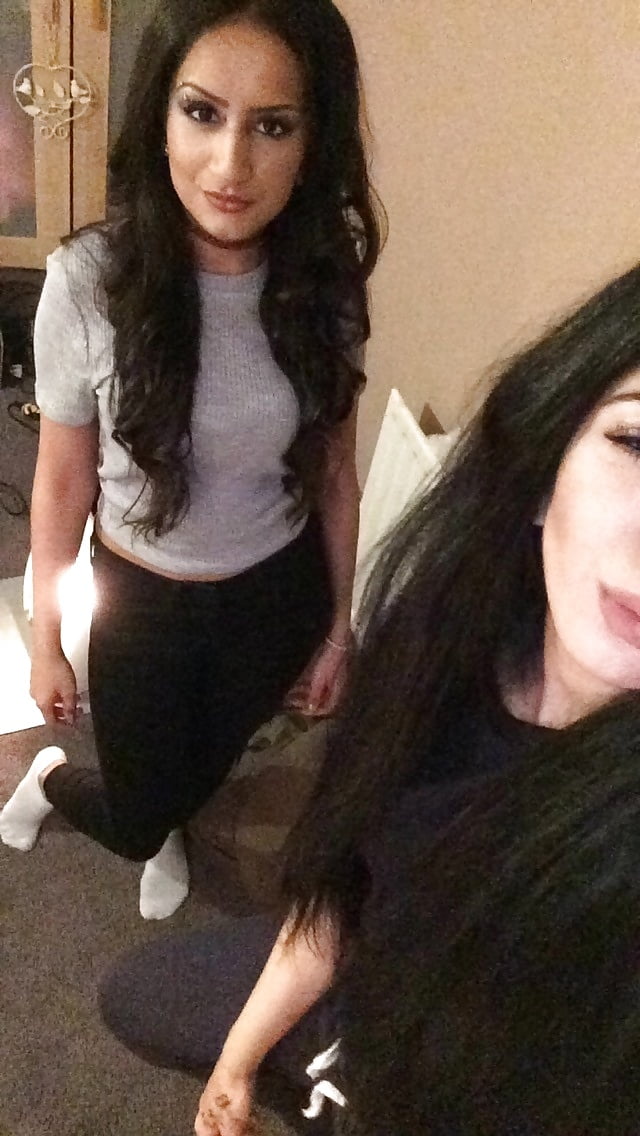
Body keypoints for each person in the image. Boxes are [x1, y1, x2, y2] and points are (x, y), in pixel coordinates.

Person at [98, 259, 640, 1135]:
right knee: (134, 996)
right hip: (368, 989)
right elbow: (343, 882)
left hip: (449, 1088)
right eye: (637, 444)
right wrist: (239, 1062)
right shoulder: (441, 652)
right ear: (545, 471)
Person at [0, 0, 382, 921]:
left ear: (312, 143)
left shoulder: (324, 283)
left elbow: (333, 469)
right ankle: (52, 782)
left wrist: (338, 626)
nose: (230, 165)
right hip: (145, 600)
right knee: (137, 815)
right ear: (160, 117)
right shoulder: (88, 282)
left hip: (275, 591)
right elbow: (62, 479)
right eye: (202, 113)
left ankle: (174, 810)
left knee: (211, 760)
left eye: (273, 126)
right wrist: (45, 638)